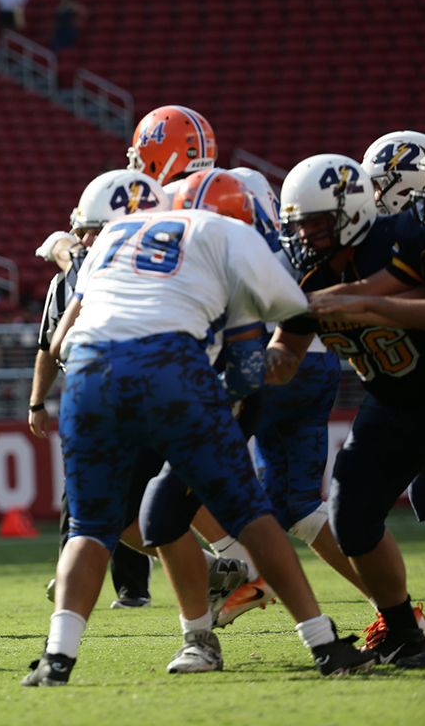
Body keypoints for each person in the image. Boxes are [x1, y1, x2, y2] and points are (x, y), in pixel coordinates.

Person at [22, 185, 373, 685]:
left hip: (87, 375)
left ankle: (58, 659)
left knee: (89, 527)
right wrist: (275, 361)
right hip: (171, 370)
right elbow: (292, 317)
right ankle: (323, 643)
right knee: (252, 515)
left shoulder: (117, 233)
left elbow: (59, 341)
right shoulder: (227, 232)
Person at [268, 153, 425, 668]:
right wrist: (255, 368)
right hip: (394, 401)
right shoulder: (309, 272)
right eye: (300, 224)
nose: (307, 234)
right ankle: (406, 633)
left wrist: (371, 304)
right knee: (351, 515)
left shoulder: (405, 234)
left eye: (317, 222)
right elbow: (287, 351)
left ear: (351, 210)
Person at [31, 170, 170, 614]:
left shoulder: (140, 268)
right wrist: (37, 400)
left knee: (136, 493)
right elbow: (48, 348)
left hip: (140, 390)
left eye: (87, 230)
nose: (81, 239)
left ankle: (141, 584)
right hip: (88, 392)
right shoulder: (64, 283)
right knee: (80, 495)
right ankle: (72, 571)